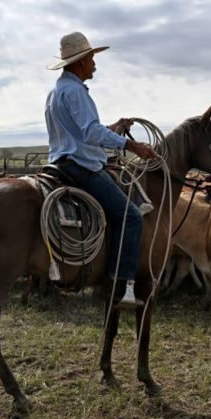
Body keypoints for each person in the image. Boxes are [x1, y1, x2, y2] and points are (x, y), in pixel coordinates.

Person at [45, 31, 157, 309]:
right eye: (92, 58)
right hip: (81, 167)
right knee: (131, 216)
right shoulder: (75, 92)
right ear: (80, 61)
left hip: (60, 163)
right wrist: (131, 145)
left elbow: (81, 132)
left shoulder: (56, 92)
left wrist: (114, 128)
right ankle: (120, 286)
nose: (94, 63)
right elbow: (91, 132)